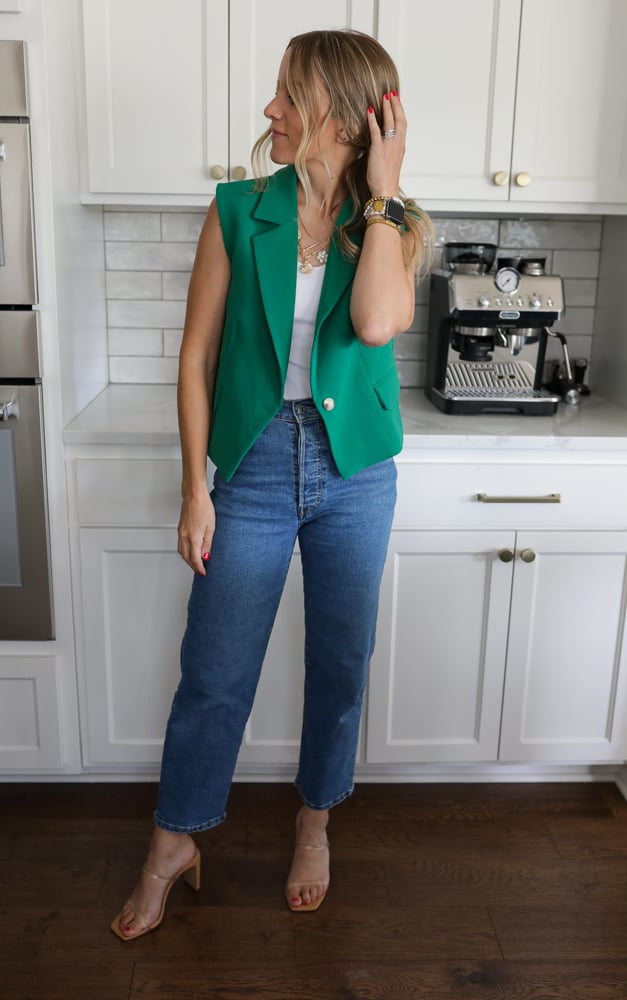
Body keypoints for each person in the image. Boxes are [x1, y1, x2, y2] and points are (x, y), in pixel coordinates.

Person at [111, 27, 433, 940]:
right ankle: (173, 843)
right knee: (212, 673)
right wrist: (193, 487)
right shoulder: (238, 207)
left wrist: (380, 195)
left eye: (289, 95)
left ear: (341, 110)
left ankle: (314, 822)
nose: (269, 111)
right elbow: (196, 355)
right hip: (249, 465)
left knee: (338, 665)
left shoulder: (396, 222)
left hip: (355, 473)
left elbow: (374, 323)